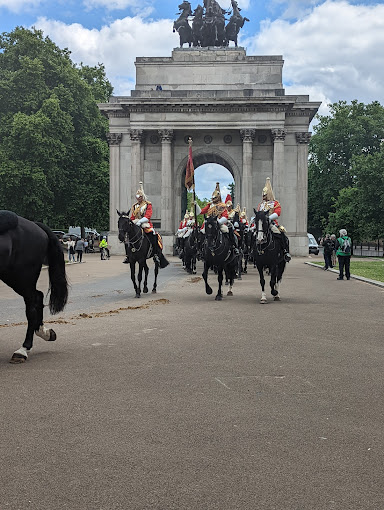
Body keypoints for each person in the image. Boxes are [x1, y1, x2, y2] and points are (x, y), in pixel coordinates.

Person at [130, 182, 169, 268]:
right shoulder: (134, 206)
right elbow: (132, 217)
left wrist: (140, 221)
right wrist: (132, 222)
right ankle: (129, 255)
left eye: (140, 197)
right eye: (137, 197)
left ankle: (156, 253)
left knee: (153, 235)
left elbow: (148, 216)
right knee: (129, 235)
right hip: (136, 222)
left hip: (145, 223)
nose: (138, 199)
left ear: (142, 197)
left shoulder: (147, 204)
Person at [195, 183, 239, 255]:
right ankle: (200, 249)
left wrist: (218, 222)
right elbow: (201, 212)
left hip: (219, 223)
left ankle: (233, 247)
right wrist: (196, 205)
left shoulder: (222, 206)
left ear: (218, 197)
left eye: (214, 198)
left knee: (227, 230)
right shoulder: (210, 205)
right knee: (202, 232)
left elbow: (225, 216)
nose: (213, 199)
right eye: (212, 198)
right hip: (209, 224)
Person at [256, 177, 291, 262]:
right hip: (261, 224)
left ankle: (285, 251)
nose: (263, 196)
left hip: (271, 223)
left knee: (281, 234)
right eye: (263, 195)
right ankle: (252, 251)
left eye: (265, 195)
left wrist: (268, 218)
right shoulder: (261, 204)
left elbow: (277, 212)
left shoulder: (275, 203)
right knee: (252, 233)